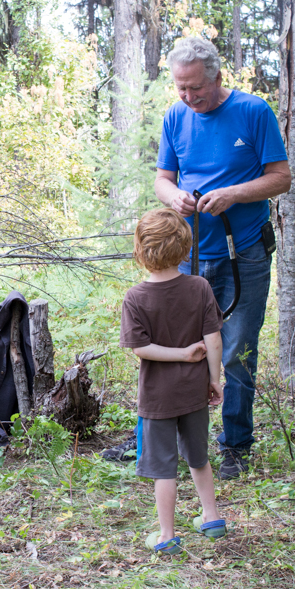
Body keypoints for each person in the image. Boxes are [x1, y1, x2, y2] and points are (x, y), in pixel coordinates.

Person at [153, 36, 291, 479]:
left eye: (196, 88)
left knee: (235, 351)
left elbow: (281, 178)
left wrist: (233, 194)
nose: (189, 97)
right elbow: (163, 178)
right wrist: (174, 197)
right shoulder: (176, 116)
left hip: (244, 253)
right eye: (181, 88)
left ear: (216, 76)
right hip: (189, 256)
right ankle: (168, 440)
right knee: (179, 348)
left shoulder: (253, 112)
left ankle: (235, 444)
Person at [121, 208, 228, 555]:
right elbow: (214, 340)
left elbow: (141, 348)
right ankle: (211, 518)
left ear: (140, 249)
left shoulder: (136, 297)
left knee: (163, 467)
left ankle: (167, 535)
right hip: (195, 391)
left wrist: (179, 354)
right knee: (199, 456)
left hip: (157, 398)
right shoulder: (199, 287)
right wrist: (215, 380)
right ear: (185, 249)